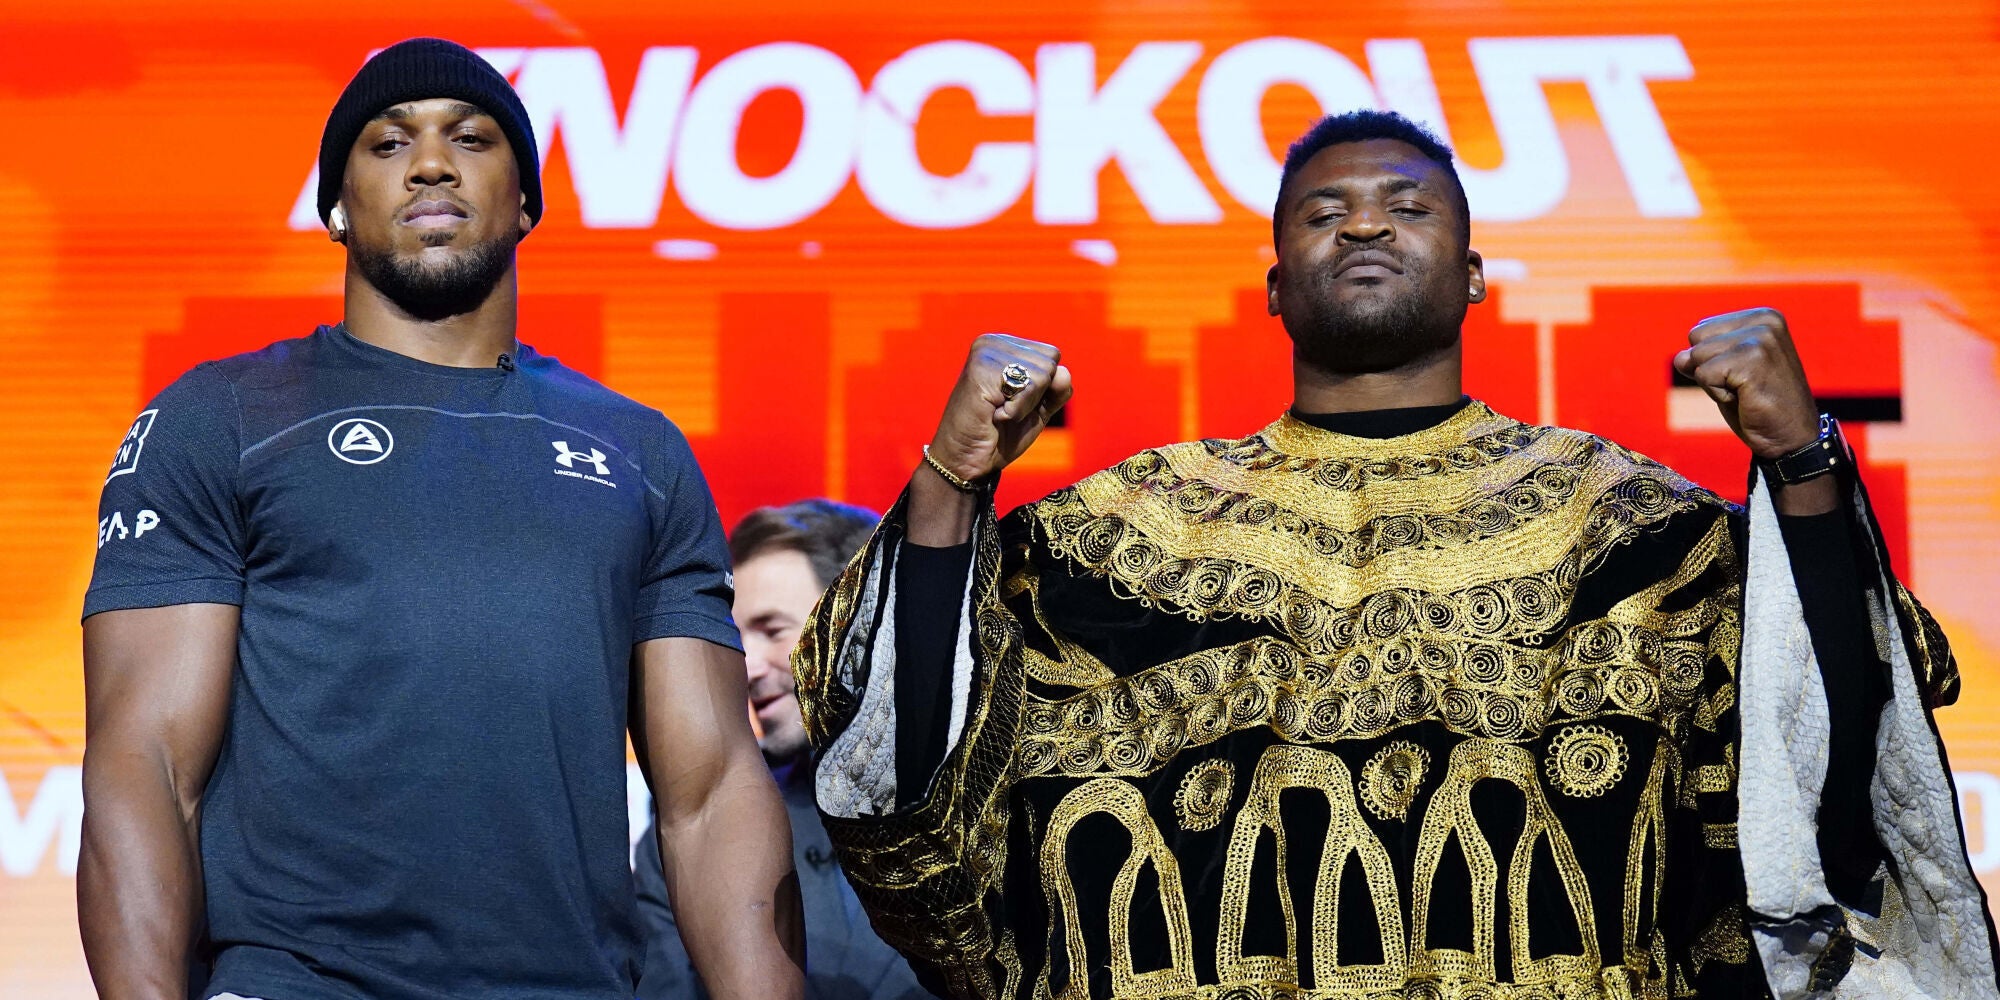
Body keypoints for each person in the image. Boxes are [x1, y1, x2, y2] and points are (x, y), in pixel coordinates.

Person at [791, 110, 1999, 999]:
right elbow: (890, 759)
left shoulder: (1634, 528)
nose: (1362, 221)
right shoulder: (1103, 541)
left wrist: (1799, 462)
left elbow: (1832, 759)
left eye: (1404, 206)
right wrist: (951, 475)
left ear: (1473, 277)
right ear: (1273, 288)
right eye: (1322, 212)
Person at [78, 38, 802, 1000]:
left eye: (469, 137)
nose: (429, 162)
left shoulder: (639, 450)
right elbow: (145, 765)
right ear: (335, 208)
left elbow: (710, 794)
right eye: (386, 144)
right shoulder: (222, 419)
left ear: (528, 200)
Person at [633, 499, 934, 1000]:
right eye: (737, 639)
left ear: (864, 626)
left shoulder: (995, 800)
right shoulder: (689, 830)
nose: (746, 668)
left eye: (773, 630)